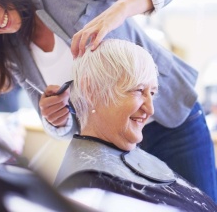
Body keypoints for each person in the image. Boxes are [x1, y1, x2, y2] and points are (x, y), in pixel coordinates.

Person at [0, 0, 216, 201]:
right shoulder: (10, 52)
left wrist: (117, 11)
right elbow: (61, 130)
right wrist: (54, 117)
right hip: (117, 149)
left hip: (171, 122)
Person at [55, 39, 217, 211]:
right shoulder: (88, 188)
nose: (150, 109)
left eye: (152, 93)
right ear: (90, 90)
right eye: (138, 90)